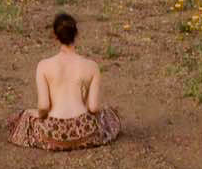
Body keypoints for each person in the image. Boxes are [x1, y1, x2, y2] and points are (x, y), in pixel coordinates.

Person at [8, 12, 121, 151]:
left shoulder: (43, 65)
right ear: (76, 34)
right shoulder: (92, 66)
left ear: (55, 36)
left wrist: (37, 114)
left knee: (25, 115)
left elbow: (44, 106)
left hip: (54, 133)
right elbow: (93, 108)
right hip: (84, 131)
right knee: (108, 114)